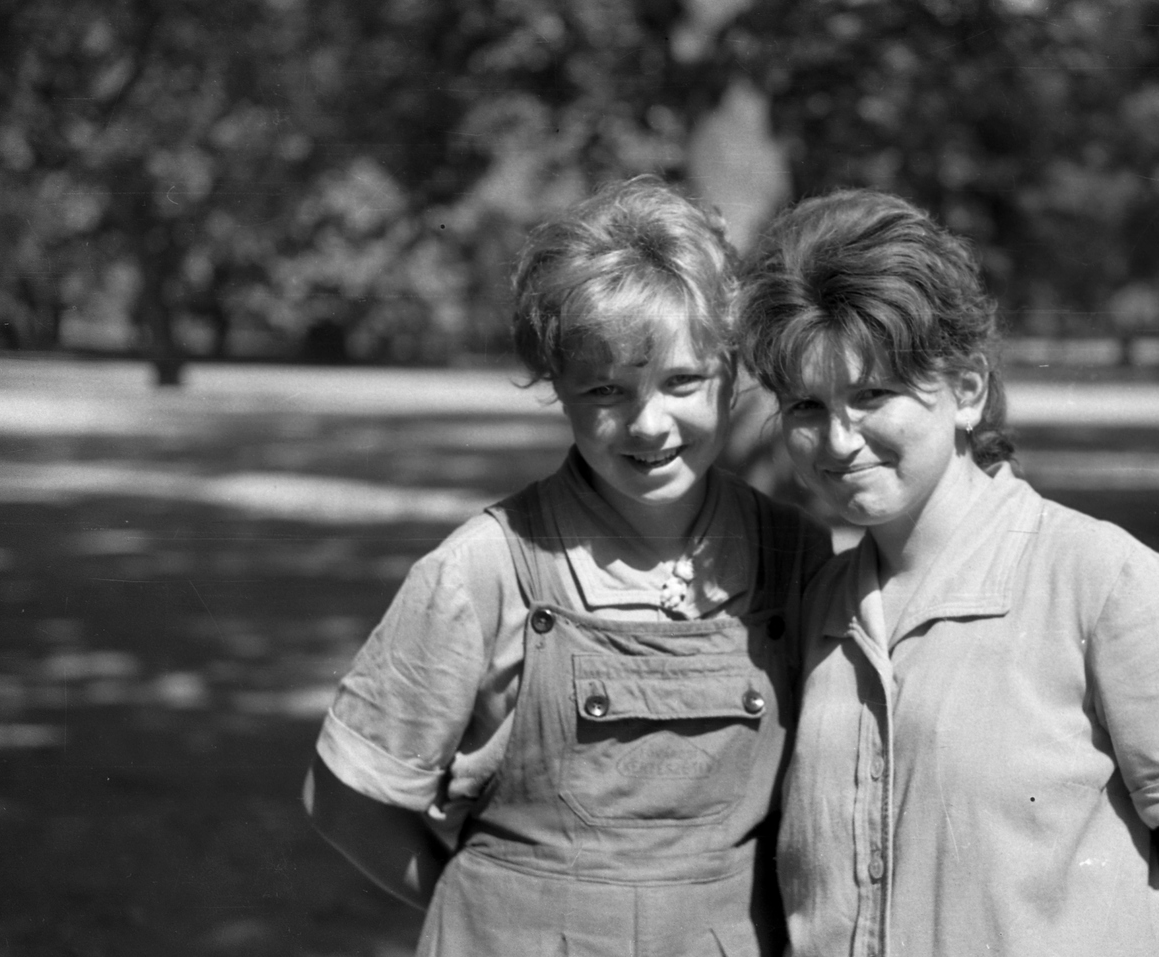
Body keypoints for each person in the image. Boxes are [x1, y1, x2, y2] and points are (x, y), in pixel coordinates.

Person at [303, 177, 831, 957]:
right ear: (558, 385)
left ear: (733, 370)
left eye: (682, 381)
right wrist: (481, 915)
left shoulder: (795, 555)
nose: (649, 424)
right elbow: (344, 797)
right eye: (606, 390)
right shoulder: (484, 568)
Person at [737, 190, 1159, 957]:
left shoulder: (1100, 580)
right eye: (805, 407)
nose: (839, 440)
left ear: (967, 391)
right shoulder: (814, 603)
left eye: (872, 394)